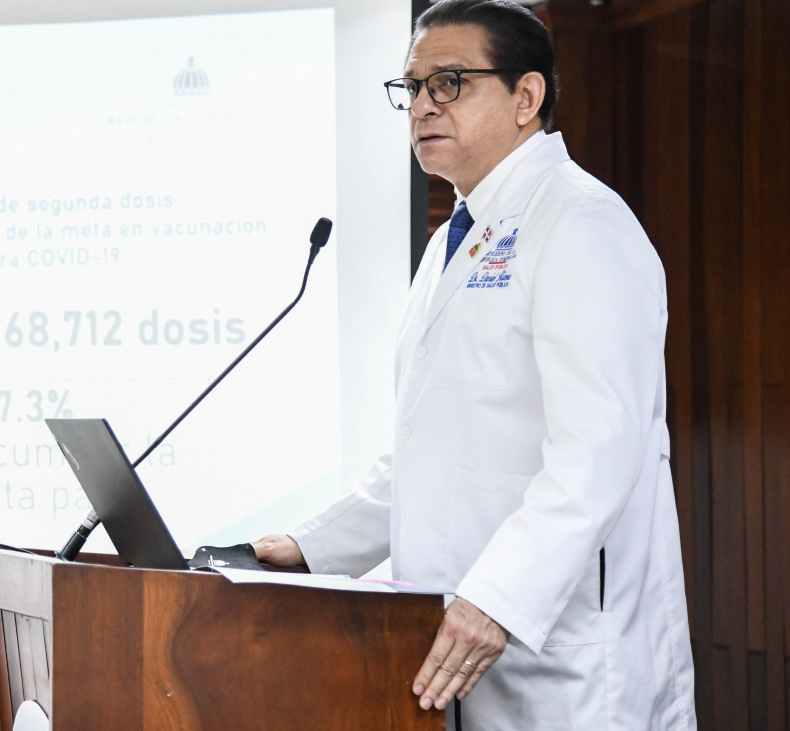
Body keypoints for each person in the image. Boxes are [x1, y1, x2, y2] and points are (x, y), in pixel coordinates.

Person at [252, 2, 696, 728]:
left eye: (450, 82)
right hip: (458, 642)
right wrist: (309, 547)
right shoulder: (453, 239)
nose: (422, 105)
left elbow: (601, 447)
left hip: (563, 656)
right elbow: (429, 452)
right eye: (412, 87)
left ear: (527, 96)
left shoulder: (581, 220)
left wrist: (499, 597)